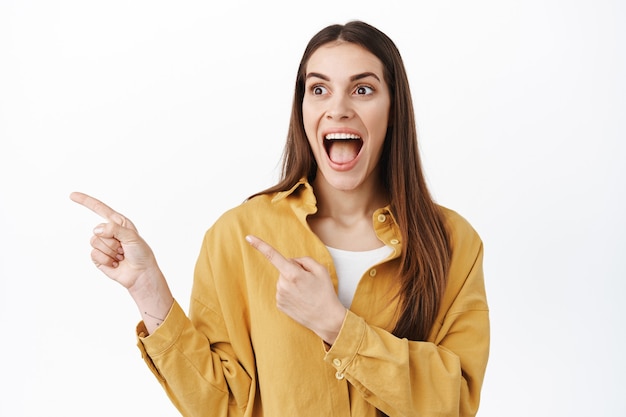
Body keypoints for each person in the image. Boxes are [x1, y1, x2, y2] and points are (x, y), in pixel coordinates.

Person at [71, 20, 489, 417]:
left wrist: (335, 324)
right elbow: (221, 406)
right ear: (302, 108)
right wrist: (148, 290)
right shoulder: (238, 234)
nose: (338, 108)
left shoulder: (452, 241)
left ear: (394, 108)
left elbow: (453, 403)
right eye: (319, 89)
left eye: (362, 89)